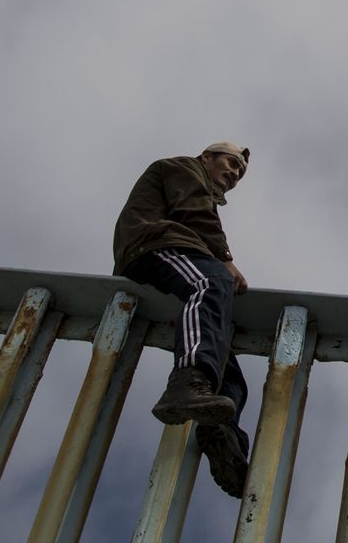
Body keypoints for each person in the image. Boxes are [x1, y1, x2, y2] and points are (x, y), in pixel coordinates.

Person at [113, 141, 255, 496]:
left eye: (240, 171)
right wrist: (223, 258)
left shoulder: (200, 184)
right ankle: (185, 385)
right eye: (231, 163)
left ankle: (224, 434)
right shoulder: (183, 167)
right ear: (207, 156)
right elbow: (193, 210)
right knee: (210, 281)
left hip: (175, 253)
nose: (234, 173)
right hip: (151, 246)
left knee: (227, 365)